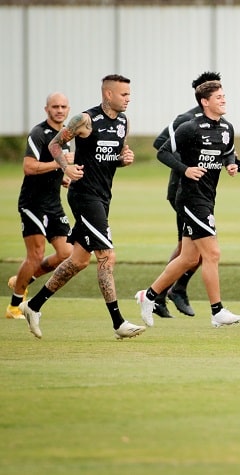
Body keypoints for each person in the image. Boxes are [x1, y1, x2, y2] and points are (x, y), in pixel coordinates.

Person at [19, 74, 146, 340]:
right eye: (124, 94)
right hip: (83, 196)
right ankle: (118, 323)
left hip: (103, 197)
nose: (128, 99)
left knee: (77, 261)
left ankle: (33, 305)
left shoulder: (123, 122)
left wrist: (125, 159)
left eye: (129, 94)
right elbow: (55, 143)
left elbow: (114, 157)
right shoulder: (85, 120)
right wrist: (66, 167)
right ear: (108, 95)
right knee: (106, 256)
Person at [135, 80, 240, 329]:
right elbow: (162, 151)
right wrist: (185, 170)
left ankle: (149, 296)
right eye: (218, 97)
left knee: (187, 258)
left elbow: (227, 151)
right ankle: (217, 311)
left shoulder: (227, 128)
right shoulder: (190, 127)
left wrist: (230, 163)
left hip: (208, 197)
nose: (223, 100)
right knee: (213, 253)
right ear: (205, 102)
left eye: (224, 96)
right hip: (190, 198)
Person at [151, 71, 222, 319]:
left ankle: (163, 293)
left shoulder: (218, 124)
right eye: (215, 92)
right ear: (203, 95)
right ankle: (168, 292)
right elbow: (161, 144)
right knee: (200, 248)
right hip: (184, 190)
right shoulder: (187, 119)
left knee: (190, 249)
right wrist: (187, 168)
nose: (220, 96)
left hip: (203, 191)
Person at [6, 93, 74, 320]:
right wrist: (60, 163)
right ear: (46, 109)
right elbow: (29, 167)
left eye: (63, 106)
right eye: (55, 106)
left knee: (67, 253)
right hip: (33, 202)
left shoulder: (66, 136)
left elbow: (56, 168)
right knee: (36, 255)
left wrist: (63, 177)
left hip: (53, 202)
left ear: (68, 109)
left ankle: (22, 280)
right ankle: (15, 305)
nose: (59, 110)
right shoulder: (38, 133)